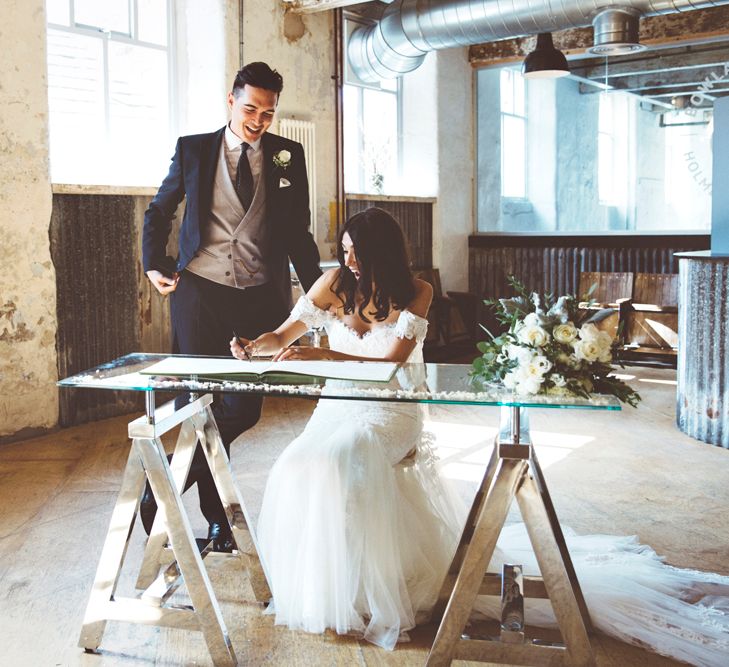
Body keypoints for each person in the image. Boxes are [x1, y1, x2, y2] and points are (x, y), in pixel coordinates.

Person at [232, 207, 729, 664]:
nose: (349, 259)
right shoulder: (334, 282)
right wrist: (256, 345)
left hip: (391, 411)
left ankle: (375, 591)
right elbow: (285, 333)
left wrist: (325, 357)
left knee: (347, 460)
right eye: (343, 250)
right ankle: (333, 588)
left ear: (383, 251)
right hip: (335, 409)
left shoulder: (417, 291)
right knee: (296, 464)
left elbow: (389, 364)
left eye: (357, 251)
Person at [142, 61, 321, 551]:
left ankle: (162, 485)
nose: (258, 121)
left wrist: (320, 296)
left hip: (261, 295)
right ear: (230, 100)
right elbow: (159, 210)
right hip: (199, 291)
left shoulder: (287, 156)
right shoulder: (194, 149)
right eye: (250, 109)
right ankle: (218, 520)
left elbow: (298, 232)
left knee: (243, 406)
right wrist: (153, 263)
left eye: (268, 113)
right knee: (194, 400)